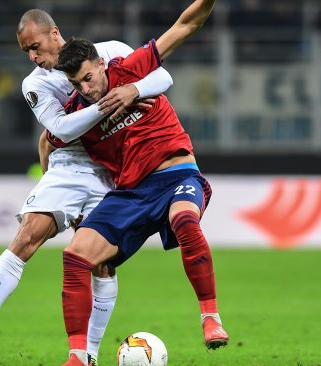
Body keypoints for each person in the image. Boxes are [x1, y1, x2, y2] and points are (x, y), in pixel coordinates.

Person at [0, 9, 174, 366]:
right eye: (26, 52)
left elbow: (161, 77)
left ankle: (89, 357)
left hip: (110, 168)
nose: (34, 57)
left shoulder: (109, 50)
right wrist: (109, 104)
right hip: (68, 167)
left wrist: (133, 89)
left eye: (35, 47)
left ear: (55, 33)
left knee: (100, 264)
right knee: (26, 237)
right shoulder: (34, 84)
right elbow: (63, 130)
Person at [51, 1, 227, 364]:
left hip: (176, 174)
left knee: (183, 219)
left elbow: (184, 26)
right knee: (75, 256)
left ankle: (210, 317)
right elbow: (48, 141)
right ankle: (78, 356)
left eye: (88, 77)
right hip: (130, 194)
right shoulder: (78, 115)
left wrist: (136, 89)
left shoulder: (129, 71)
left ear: (101, 64)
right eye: (76, 84)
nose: (86, 89)